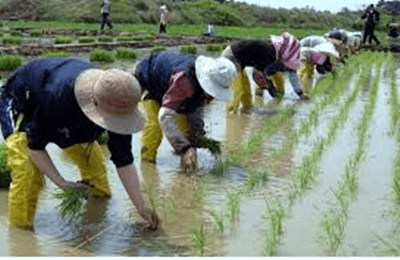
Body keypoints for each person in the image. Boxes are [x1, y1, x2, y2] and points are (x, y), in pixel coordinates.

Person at [0, 57, 160, 230]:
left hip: (69, 108)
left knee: (94, 168)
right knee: (28, 172)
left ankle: (97, 204)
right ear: (94, 107)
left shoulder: (118, 100)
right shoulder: (56, 98)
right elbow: (35, 147)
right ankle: (21, 229)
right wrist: (62, 183)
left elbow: (124, 161)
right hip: (25, 101)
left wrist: (141, 208)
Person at [130, 51, 237, 172]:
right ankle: (147, 165)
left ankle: (186, 165)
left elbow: (195, 113)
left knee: (186, 129)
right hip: (151, 83)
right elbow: (165, 117)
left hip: (170, 87)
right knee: (154, 127)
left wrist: (195, 139)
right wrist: (185, 148)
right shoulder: (185, 82)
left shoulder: (202, 89)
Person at [220, 32, 304, 109]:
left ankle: (246, 111)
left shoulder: (271, 51)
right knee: (238, 89)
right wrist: (269, 86)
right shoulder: (269, 53)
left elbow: (261, 71)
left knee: (246, 89)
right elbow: (257, 75)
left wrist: (269, 85)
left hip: (239, 59)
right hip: (231, 56)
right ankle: (233, 115)